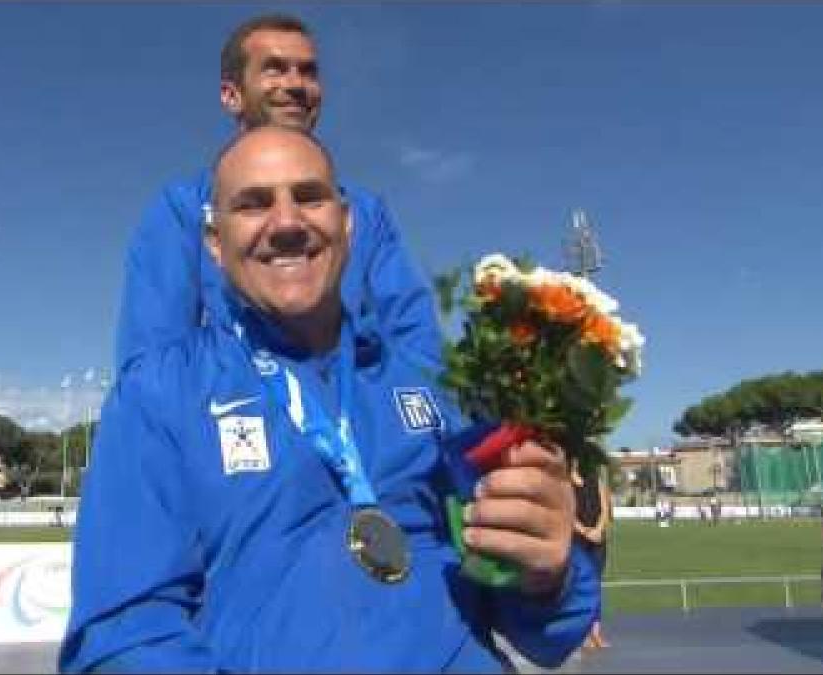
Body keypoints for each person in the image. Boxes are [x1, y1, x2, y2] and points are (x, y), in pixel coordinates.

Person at [60, 126, 599, 673]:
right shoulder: (158, 396)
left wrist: (547, 577)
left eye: (310, 196)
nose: (287, 222)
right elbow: (121, 640)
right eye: (253, 203)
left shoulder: (434, 384)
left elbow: (541, 632)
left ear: (348, 223)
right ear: (215, 245)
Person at [113, 13, 442, 380]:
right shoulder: (182, 208)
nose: (295, 84)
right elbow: (151, 366)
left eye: (308, 71)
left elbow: (417, 347)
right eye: (275, 69)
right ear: (231, 95)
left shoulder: (366, 213)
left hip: (359, 429)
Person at [571, 461, 612, 651]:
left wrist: (598, 530)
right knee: (579, 587)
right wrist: (585, 532)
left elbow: (605, 510)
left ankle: (596, 632)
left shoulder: (597, 480)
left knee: (595, 586)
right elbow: (568, 514)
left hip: (598, 541)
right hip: (577, 541)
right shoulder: (565, 483)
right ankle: (583, 634)